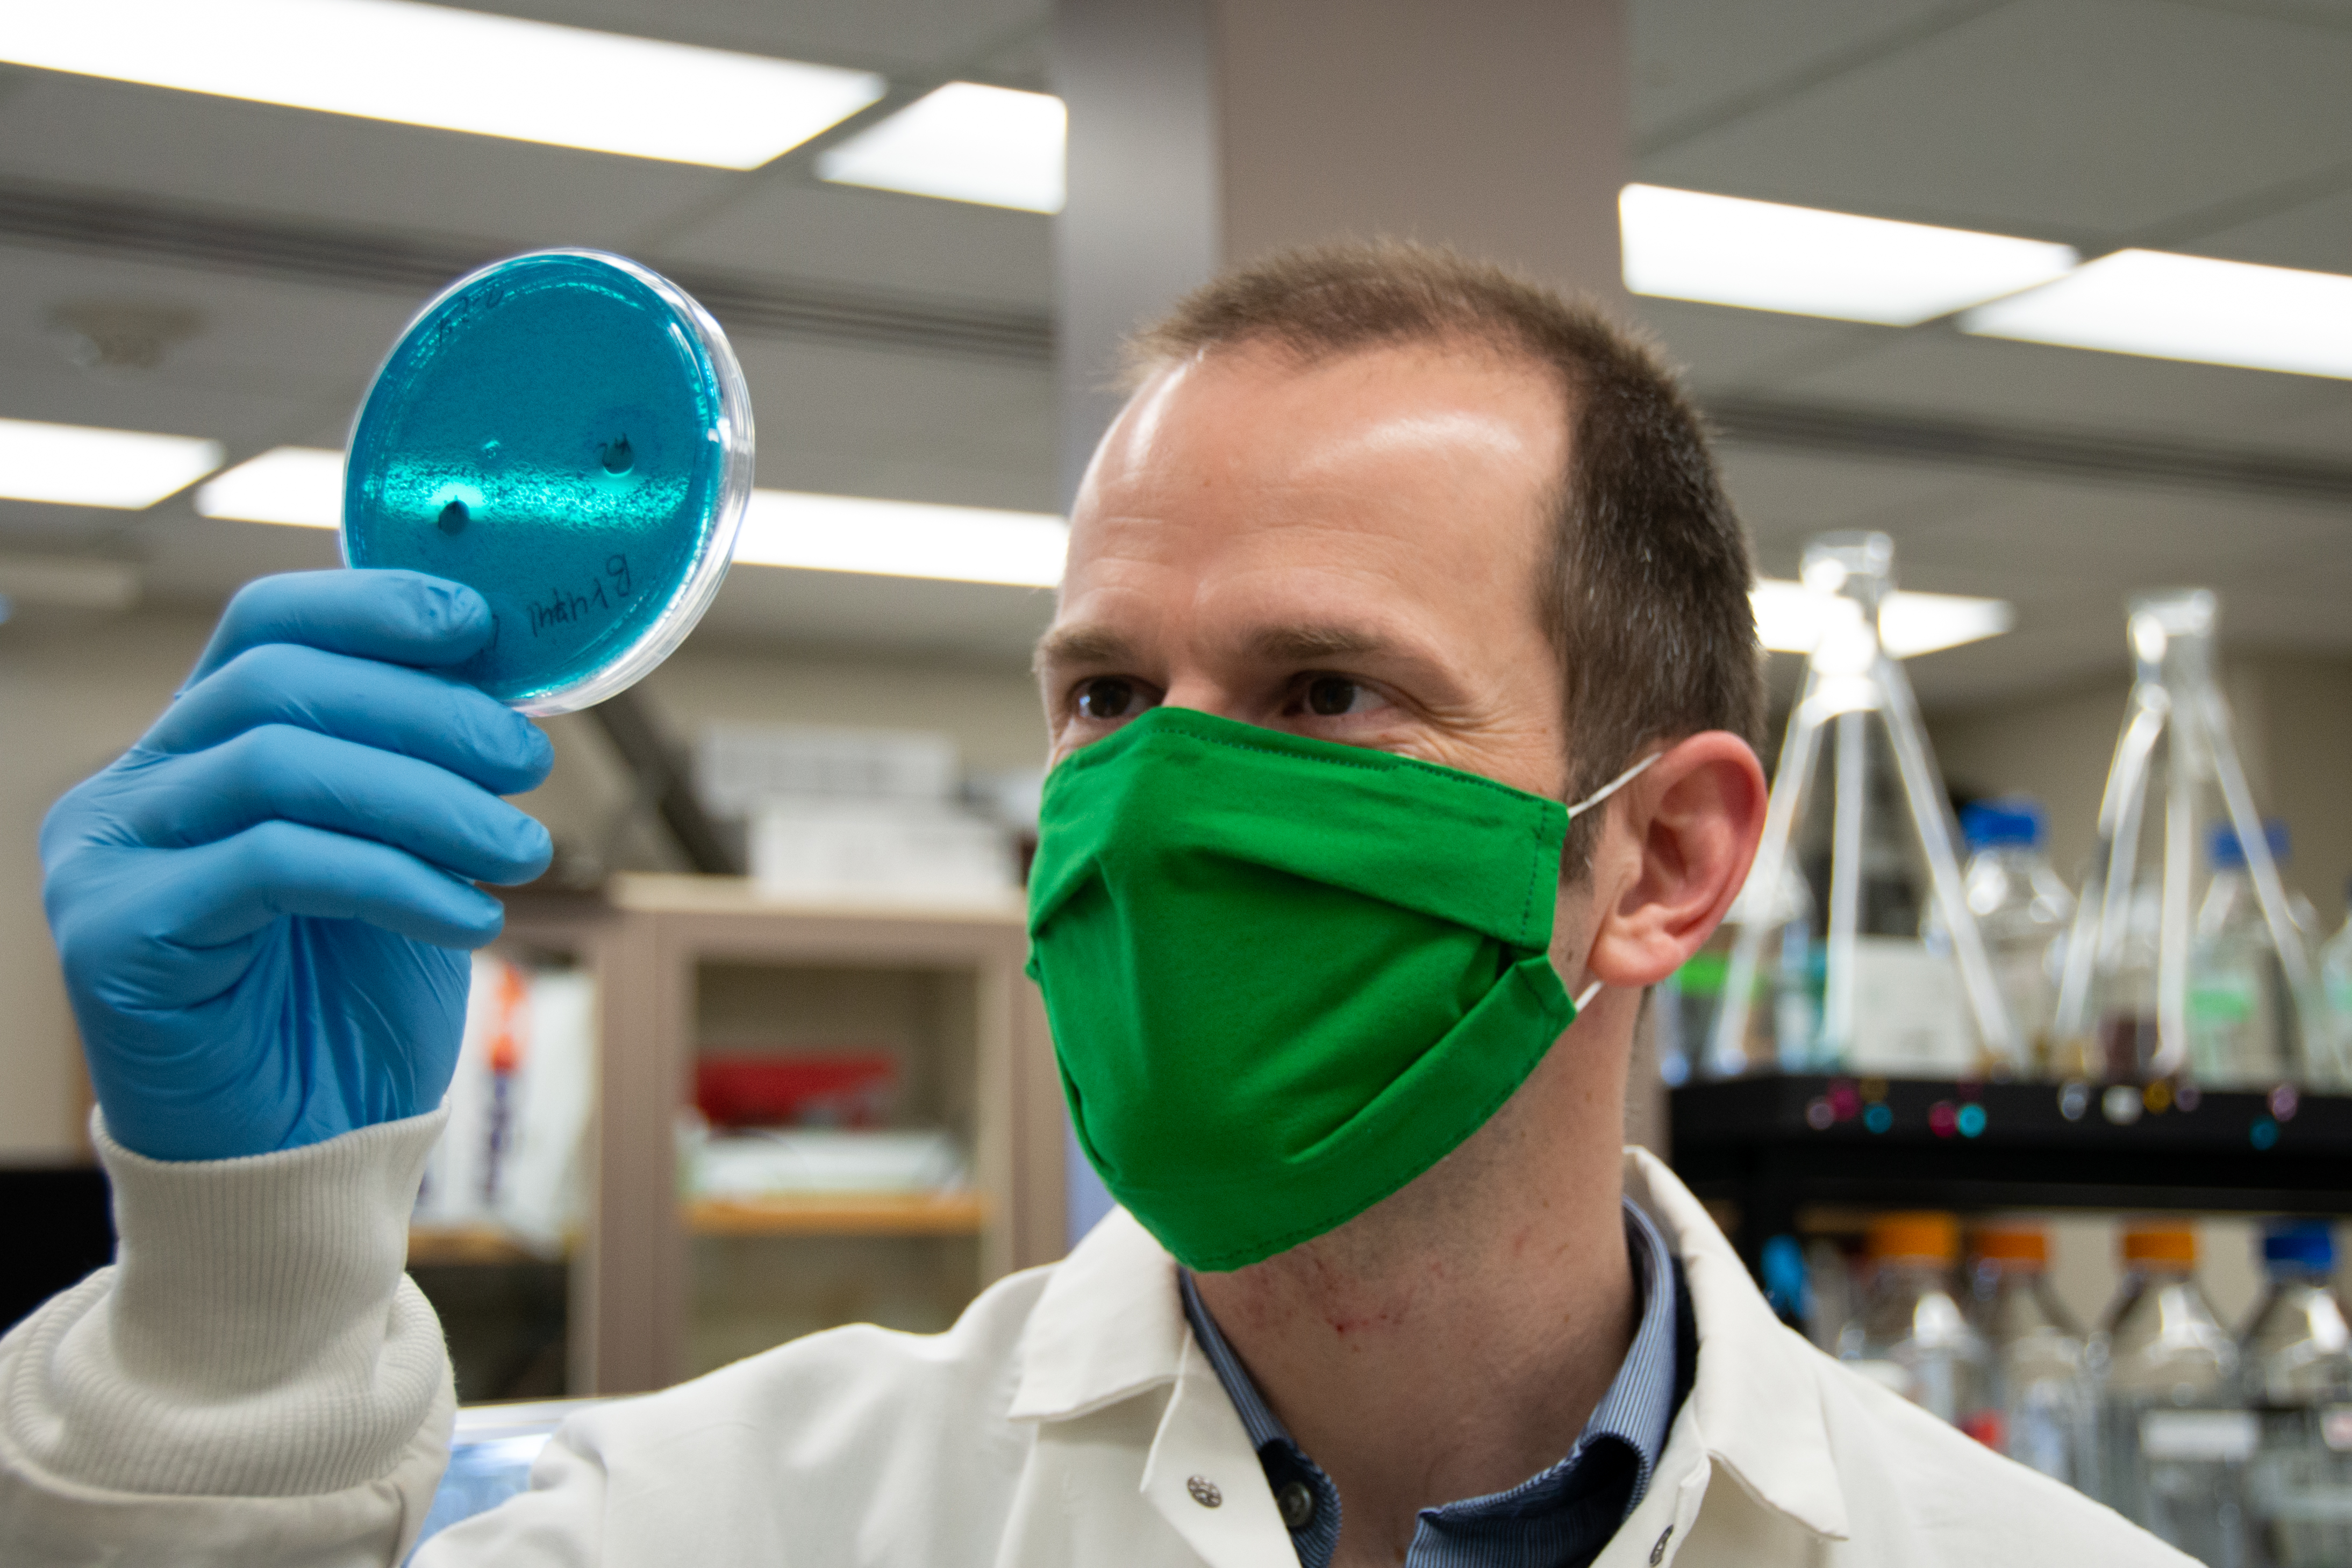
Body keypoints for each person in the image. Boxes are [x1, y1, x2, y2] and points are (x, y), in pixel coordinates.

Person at [3, 244, 2183, 1567]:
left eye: (1320, 694)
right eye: (1104, 695)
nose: (1149, 803)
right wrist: (242, 1284)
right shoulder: (715, 1516)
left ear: (1661, 858)